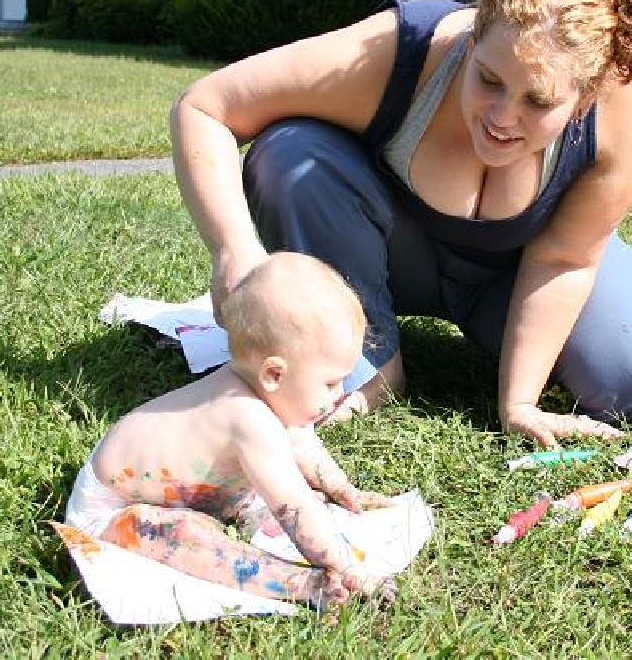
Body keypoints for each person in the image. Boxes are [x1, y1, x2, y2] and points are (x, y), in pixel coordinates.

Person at [170, 0, 632, 449]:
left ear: (584, 97)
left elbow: (566, 258)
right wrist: (233, 249)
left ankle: (511, 352)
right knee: (291, 154)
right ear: (472, 39)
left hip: (520, 272)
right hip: (384, 249)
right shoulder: (397, 50)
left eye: (538, 100)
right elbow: (205, 105)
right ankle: (372, 367)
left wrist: (518, 403)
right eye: (491, 80)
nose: (503, 118)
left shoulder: (624, 98)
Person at [65, 252, 396, 608]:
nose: (343, 392)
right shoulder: (247, 417)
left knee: (283, 504)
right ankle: (302, 585)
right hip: (114, 512)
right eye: (331, 383)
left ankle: (270, 535)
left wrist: (339, 487)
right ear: (274, 374)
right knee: (186, 539)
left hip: (199, 497)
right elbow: (293, 506)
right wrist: (347, 567)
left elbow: (302, 442)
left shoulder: (269, 395)